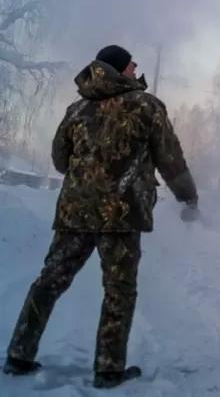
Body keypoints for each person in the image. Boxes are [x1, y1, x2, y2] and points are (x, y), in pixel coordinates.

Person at [3, 45, 199, 389]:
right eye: (131, 63)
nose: (135, 67)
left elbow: (60, 160)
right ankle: (108, 370)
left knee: (49, 283)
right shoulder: (146, 106)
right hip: (121, 216)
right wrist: (189, 198)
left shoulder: (77, 109)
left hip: (74, 213)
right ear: (119, 68)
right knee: (119, 290)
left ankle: (19, 355)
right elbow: (171, 160)